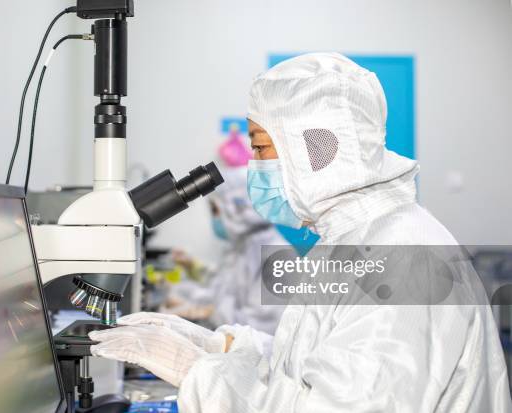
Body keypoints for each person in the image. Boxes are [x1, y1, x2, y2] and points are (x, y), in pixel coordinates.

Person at [89, 53, 511, 412]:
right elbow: (318, 365)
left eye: (260, 148)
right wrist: (224, 348)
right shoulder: (351, 241)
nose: (254, 168)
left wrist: (199, 374)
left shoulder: (402, 261)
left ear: (316, 150)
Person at [164, 166, 286, 335]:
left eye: (215, 210)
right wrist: (191, 301)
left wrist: (205, 312)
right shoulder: (242, 248)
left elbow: (262, 328)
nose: (214, 218)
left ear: (237, 209)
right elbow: (221, 291)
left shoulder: (277, 257)